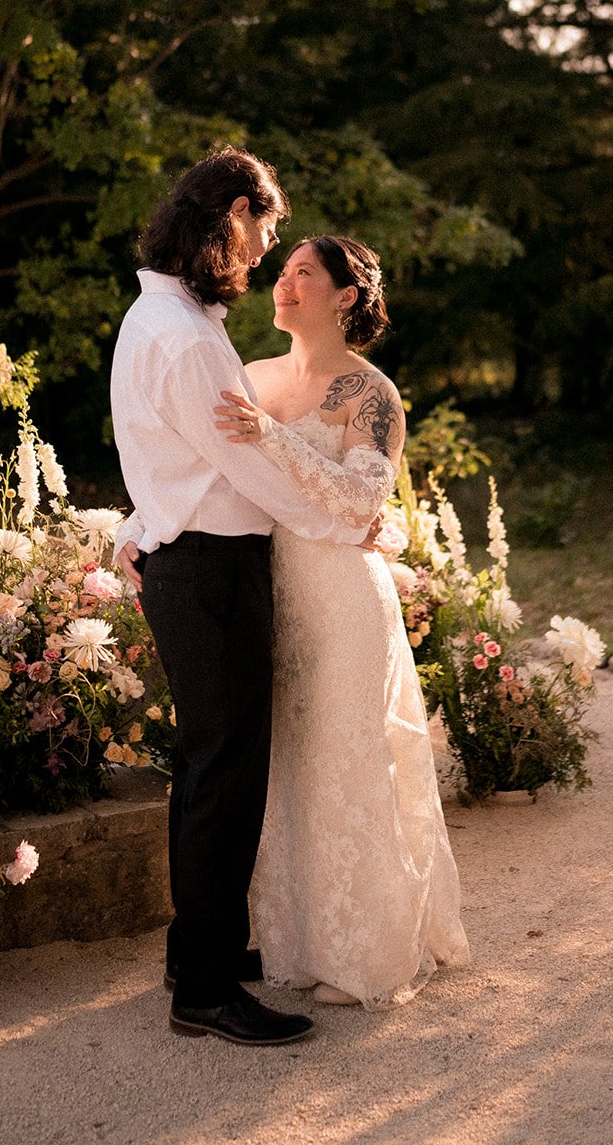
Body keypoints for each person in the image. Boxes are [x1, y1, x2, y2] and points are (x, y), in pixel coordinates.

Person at [110, 148, 375, 1047]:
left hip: (190, 560)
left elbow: (178, 455)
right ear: (232, 213)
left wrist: (142, 523)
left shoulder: (163, 316)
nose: (265, 250)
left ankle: (197, 953)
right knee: (224, 775)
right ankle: (207, 989)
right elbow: (247, 464)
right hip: (211, 570)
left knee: (206, 767)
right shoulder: (185, 335)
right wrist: (341, 524)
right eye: (265, 229)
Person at [213, 234, 470, 1006]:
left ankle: (369, 955)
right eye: (282, 271)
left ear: (345, 296)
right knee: (290, 766)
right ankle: (300, 940)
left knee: (349, 762)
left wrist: (270, 438)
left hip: (343, 600)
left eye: (304, 273)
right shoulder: (251, 377)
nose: (283, 283)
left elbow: (361, 501)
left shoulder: (370, 392)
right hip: (269, 593)